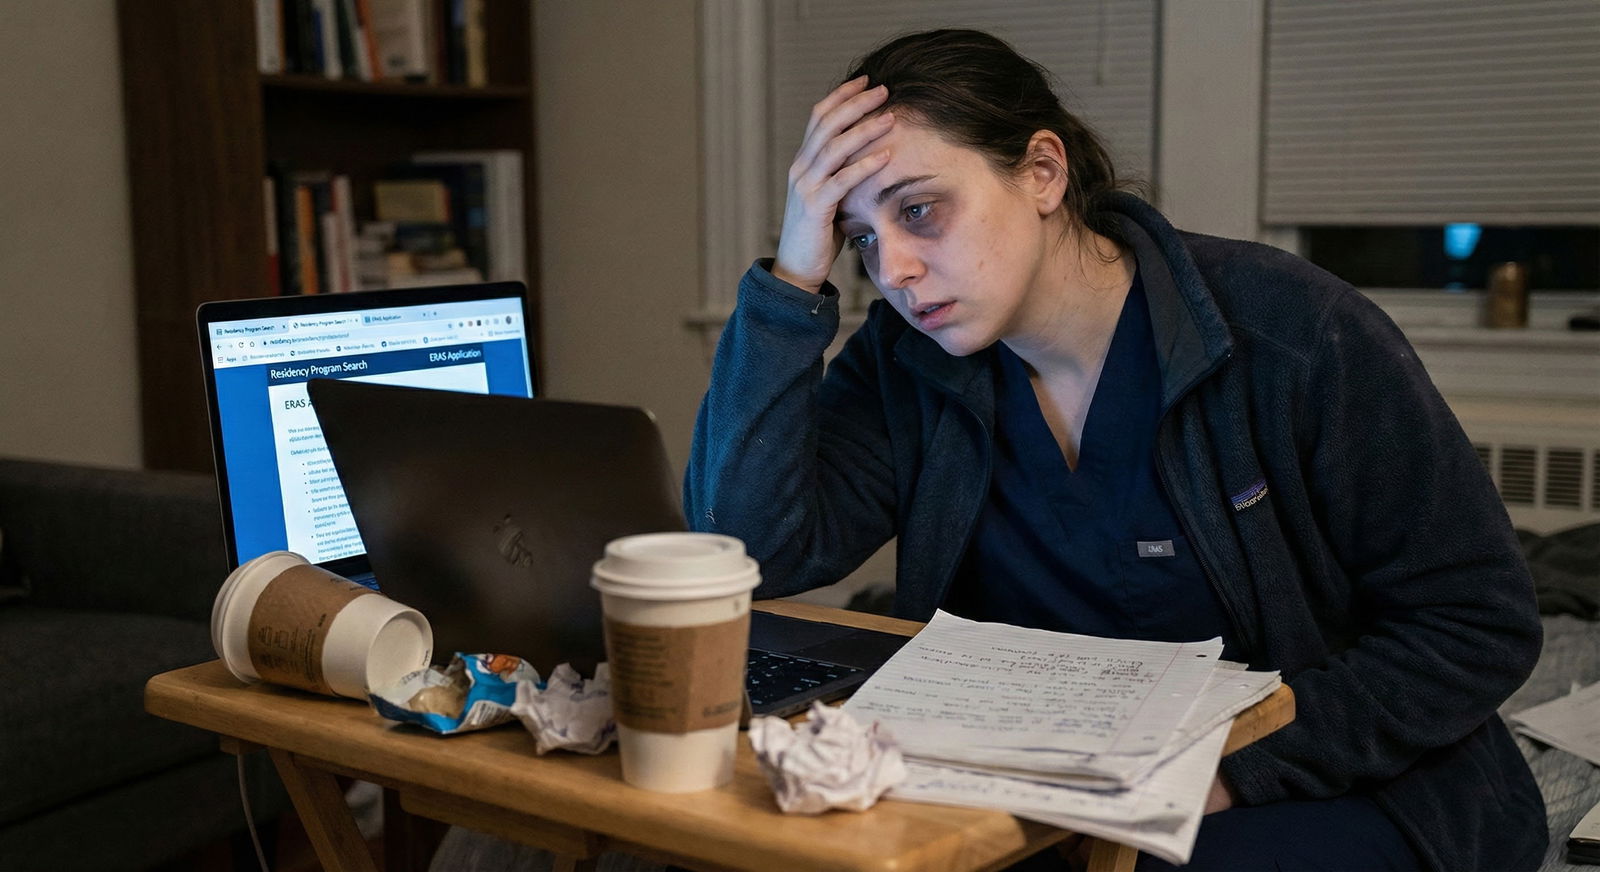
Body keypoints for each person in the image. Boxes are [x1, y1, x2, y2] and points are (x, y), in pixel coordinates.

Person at [685, 28, 1546, 872]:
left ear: (1043, 173)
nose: (896, 269)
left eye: (919, 210)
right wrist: (795, 276)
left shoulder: (1293, 332)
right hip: (1039, 784)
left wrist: (1225, 772)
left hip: (1320, 781)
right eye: (860, 237)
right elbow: (753, 547)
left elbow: (1476, 624)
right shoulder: (906, 361)